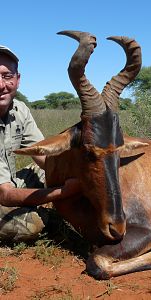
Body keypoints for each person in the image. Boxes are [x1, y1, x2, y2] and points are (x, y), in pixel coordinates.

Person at [0, 45, 81, 242]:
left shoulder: (19, 109)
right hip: (3, 191)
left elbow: (42, 155)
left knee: (72, 171)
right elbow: (5, 194)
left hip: (11, 181)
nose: (0, 85)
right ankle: (52, 218)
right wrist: (63, 191)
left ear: (18, 80)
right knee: (31, 226)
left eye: (7, 76)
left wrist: (76, 172)